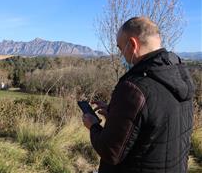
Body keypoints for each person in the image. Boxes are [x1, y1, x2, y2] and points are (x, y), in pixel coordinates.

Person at [82, 17, 195, 173]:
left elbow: (110, 151)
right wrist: (115, 115)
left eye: (121, 48)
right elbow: (154, 123)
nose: (122, 54)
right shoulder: (179, 76)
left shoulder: (133, 88)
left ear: (133, 44)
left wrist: (93, 125)